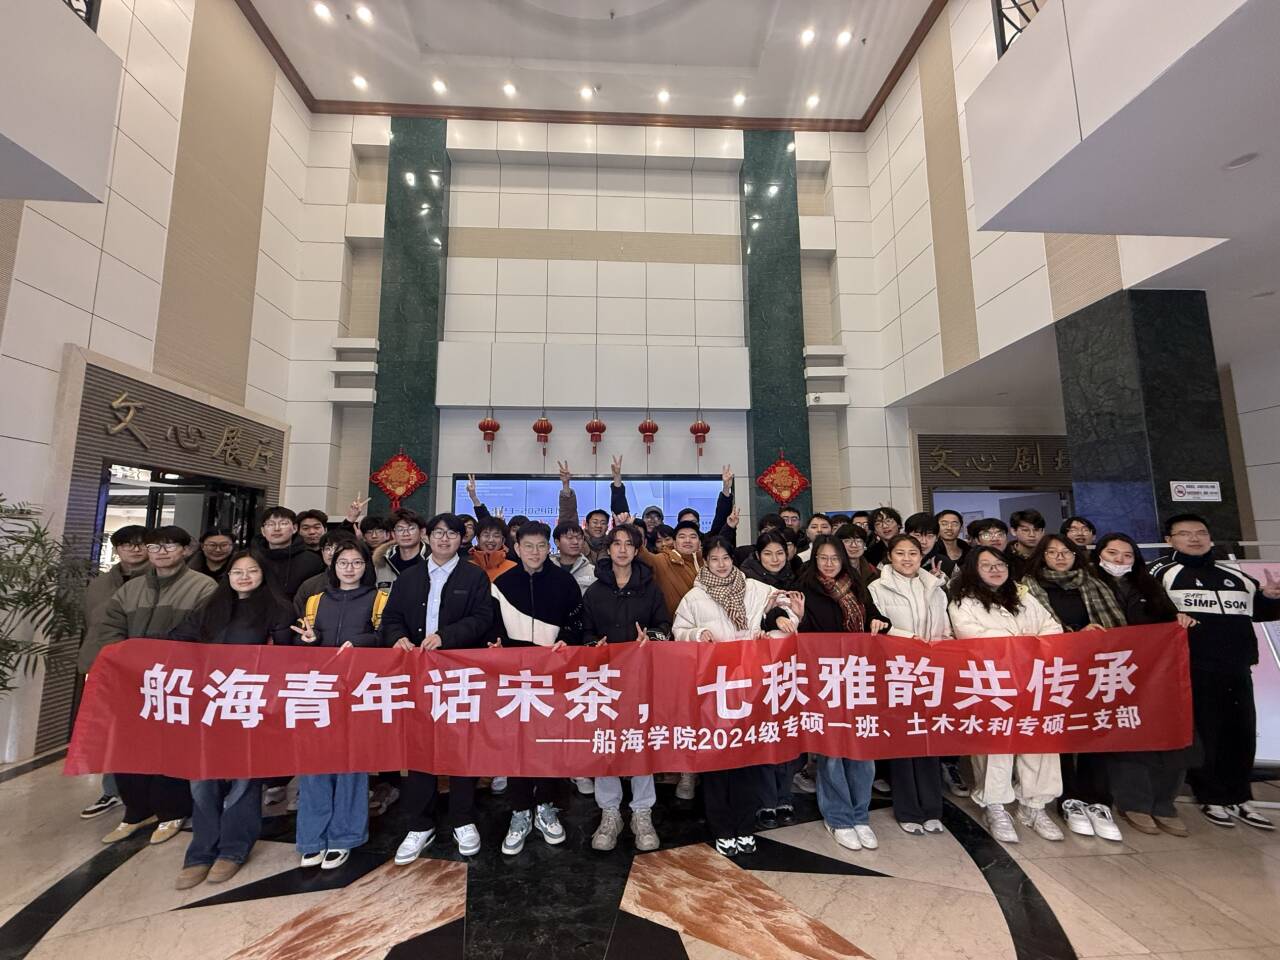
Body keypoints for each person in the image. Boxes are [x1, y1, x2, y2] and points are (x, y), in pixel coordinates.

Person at [169, 551, 292, 888]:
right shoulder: (211, 606)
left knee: (243, 779)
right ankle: (200, 852)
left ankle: (234, 849)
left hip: (250, 703)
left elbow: (288, 657)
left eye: (252, 571)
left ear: (263, 575)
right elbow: (179, 639)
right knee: (202, 778)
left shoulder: (278, 609)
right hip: (208, 702)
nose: (244, 577)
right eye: (238, 572)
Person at [1150, 513, 1280, 830]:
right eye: (1185, 533)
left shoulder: (1234, 575)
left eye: (1201, 532)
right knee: (1206, 734)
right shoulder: (1160, 573)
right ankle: (1210, 796)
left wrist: (1270, 597)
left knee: (1241, 733)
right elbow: (1147, 611)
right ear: (1169, 540)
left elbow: (1257, 612)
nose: (1195, 538)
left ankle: (1239, 795)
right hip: (1190, 667)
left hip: (1237, 666)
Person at [673, 537, 800, 856]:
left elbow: (786, 612)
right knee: (717, 763)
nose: (721, 564)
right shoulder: (694, 597)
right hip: (713, 691)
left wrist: (773, 626)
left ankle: (744, 825)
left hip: (751, 688)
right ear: (706, 561)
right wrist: (696, 634)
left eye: (726, 558)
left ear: (734, 559)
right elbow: (679, 631)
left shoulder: (755, 589)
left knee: (747, 760)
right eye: (714, 559)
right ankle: (722, 827)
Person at [383, 513, 496, 861]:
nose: (444, 539)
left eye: (452, 534)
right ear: (427, 537)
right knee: (420, 744)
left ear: (462, 539)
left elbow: (483, 618)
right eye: (438, 533)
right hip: (417, 673)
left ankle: (463, 818)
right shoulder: (409, 577)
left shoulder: (474, 576)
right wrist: (397, 637)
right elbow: (391, 618)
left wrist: (447, 637)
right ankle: (420, 824)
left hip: (459, 672)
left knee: (461, 745)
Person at [95, 526, 216, 845]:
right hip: (133, 679)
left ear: (186, 550)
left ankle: (172, 810)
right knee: (129, 747)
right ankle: (136, 811)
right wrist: (125, 660)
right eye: (154, 546)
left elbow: (204, 632)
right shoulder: (131, 589)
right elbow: (110, 628)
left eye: (169, 546)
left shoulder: (203, 586)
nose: (161, 552)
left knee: (171, 747)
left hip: (176, 681)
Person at [948, 546, 1064, 844]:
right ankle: (995, 806)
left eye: (1000, 564)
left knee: (1037, 741)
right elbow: (972, 637)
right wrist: (1024, 643)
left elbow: (1052, 629)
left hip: (1033, 681)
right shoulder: (963, 601)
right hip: (992, 684)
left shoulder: (1024, 597)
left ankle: (1033, 806)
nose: (995, 570)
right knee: (994, 745)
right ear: (973, 569)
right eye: (986, 565)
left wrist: (1024, 645)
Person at [1019, 534, 1126, 842]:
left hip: (1097, 667)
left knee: (1096, 729)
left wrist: (1097, 635)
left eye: (1066, 552)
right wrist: (1075, 635)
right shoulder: (1028, 587)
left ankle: (1098, 800)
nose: (1060, 557)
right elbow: (1030, 628)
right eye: (1052, 552)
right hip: (1054, 668)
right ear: (1042, 556)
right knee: (1059, 730)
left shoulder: (1094, 584)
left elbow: (1118, 624)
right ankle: (1069, 798)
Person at [291, 542, 388, 870]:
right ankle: (311, 838)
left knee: (351, 765)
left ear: (366, 567)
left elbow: (386, 637)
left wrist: (359, 642)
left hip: (358, 690)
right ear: (333, 566)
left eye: (356, 562)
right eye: (343, 562)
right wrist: (308, 640)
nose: (349, 568)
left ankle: (345, 836)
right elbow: (302, 639)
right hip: (319, 689)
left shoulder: (379, 599)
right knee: (314, 764)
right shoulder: (316, 600)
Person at [491, 521, 583, 856]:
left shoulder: (564, 582)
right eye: (528, 546)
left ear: (549, 548)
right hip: (514, 679)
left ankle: (546, 806)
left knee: (549, 742)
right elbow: (492, 625)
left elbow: (577, 622)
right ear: (516, 548)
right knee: (517, 744)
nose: (535, 552)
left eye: (541, 546)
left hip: (553, 675)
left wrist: (567, 641)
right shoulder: (501, 584)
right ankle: (519, 811)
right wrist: (496, 646)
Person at [1092, 533, 1193, 837]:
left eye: (1127, 555)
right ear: (1099, 555)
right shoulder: (1090, 585)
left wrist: (1180, 620)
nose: (1119, 560)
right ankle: (1134, 802)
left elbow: (1168, 619)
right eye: (1112, 553)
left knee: (1169, 733)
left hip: (1155, 672)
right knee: (1127, 735)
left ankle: (1164, 803)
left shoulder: (1149, 585)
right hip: (1111, 671)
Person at [580, 524, 671, 851]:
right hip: (604, 679)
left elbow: (665, 627)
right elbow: (584, 633)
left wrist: (651, 639)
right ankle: (610, 812)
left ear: (637, 549)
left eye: (628, 544)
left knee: (640, 740)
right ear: (608, 549)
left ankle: (642, 811)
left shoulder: (650, 588)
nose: (622, 549)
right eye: (616, 543)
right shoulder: (595, 591)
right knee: (607, 741)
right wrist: (594, 645)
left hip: (641, 676)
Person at [795, 535, 888, 852]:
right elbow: (793, 627)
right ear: (814, 559)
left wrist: (879, 623)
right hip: (825, 679)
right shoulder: (805, 587)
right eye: (823, 558)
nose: (829, 563)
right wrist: (797, 618)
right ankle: (838, 818)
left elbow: (876, 616)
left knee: (862, 749)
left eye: (834, 558)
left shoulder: (857, 585)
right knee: (832, 750)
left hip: (859, 676)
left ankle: (860, 814)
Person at [868, 535, 951, 836]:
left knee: (930, 741)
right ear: (889, 556)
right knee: (903, 743)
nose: (907, 559)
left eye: (913, 553)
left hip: (931, 672)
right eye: (900, 553)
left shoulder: (936, 587)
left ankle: (932, 808)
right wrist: (911, 641)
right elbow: (877, 630)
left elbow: (946, 628)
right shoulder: (877, 588)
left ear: (921, 556)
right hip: (898, 673)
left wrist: (942, 648)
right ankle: (908, 810)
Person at [77, 525, 150, 820]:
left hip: (143, 669)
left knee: (145, 731)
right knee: (111, 730)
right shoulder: (99, 585)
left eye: (140, 544)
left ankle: (146, 791)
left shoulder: (158, 580)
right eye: (126, 544)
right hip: (105, 667)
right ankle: (112, 789)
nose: (134, 549)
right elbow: (92, 625)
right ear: (117, 549)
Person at [257, 507, 326, 598]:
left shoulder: (312, 560)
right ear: (263, 531)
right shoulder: (252, 558)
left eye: (283, 523)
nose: (277, 528)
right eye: (270, 524)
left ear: (294, 528)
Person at [372, 508, 427, 589]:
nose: (405, 534)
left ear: (422, 532)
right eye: (400, 529)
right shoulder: (383, 561)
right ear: (393, 534)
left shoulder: (433, 559)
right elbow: (381, 593)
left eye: (411, 528)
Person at [553, 520, 597, 595]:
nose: (575, 542)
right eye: (569, 538)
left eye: (579, 538)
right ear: (557, 542)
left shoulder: (593, 572)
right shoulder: (546, 570)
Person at [904, 512, 953, 579]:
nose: (923, 542)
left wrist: (939, 582)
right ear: (906, 535)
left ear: (937, 537)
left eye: (930, 536)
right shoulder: (895, 561)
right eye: (918, 535)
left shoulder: (946, 564)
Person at [469, 516, 517, 581]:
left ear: (503, 540)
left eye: (496, 536)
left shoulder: (513, 568)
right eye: (486, 535)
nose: (491, 540)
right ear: (477, 539)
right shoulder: (466, 567)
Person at [1006, 509, 1046, 581]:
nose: (1032, 535)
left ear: (1043, 531)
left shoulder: (1049, 555)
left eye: (1036, 530)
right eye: (1025, 530)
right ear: (1013, 531)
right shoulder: (1004, 557)